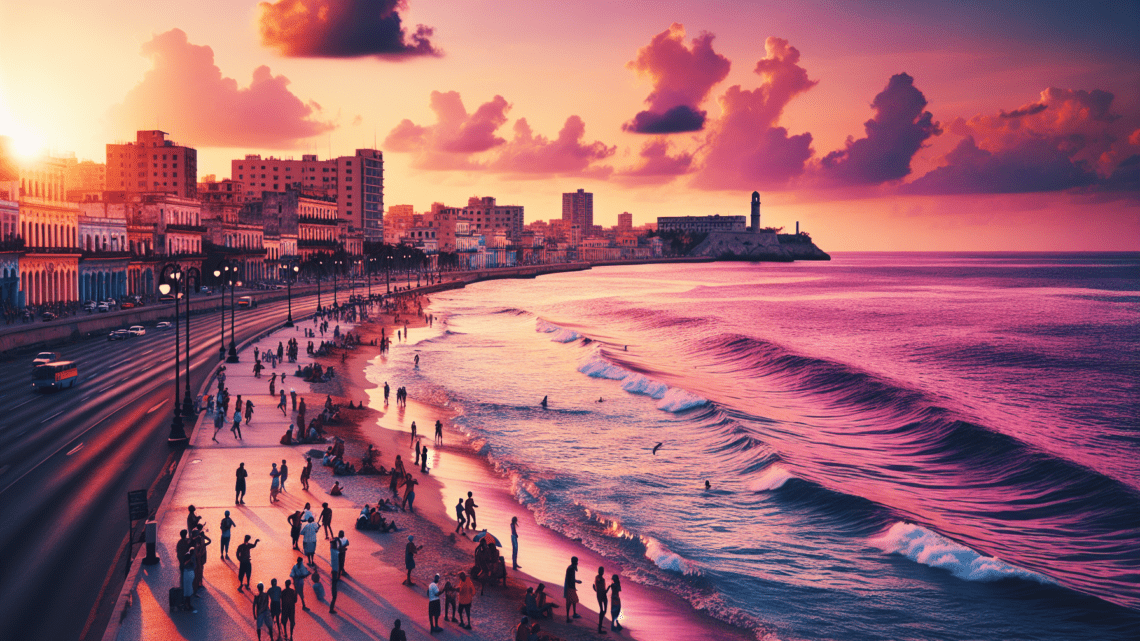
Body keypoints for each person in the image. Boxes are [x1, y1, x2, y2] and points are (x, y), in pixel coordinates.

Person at [564, 556, 581, 622]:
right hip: (570, 587)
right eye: (576, 562)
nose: (577, 563)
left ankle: (574, 613)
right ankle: (567, 617)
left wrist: (576, 581)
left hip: (571, 587)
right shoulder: (571, 568)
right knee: (569, 602)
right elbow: (571, 580)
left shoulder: (571, 568)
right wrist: (577, 581)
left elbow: (572, 578)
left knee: (574, 601)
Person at [593, 566, 609, 633]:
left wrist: (594, 588)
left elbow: (596, 588)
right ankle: (599, 628)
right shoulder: (600, 579)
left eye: (601, 571)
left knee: (603, 611)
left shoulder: (598, 578)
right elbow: (601, 588)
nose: (601, 572)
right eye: (600, 570)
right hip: (602, 595)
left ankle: (600, 625)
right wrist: (608, 588)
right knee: (603, 611)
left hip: (600, 595)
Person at [328, 538, 341, 614]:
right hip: (334, 573)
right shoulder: (336, 552)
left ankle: (331, 608)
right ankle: (331, 609)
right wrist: (338, 541)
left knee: (334, 596)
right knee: (334, 596)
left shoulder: (332, 551)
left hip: (334, 572)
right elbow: (340, 547)